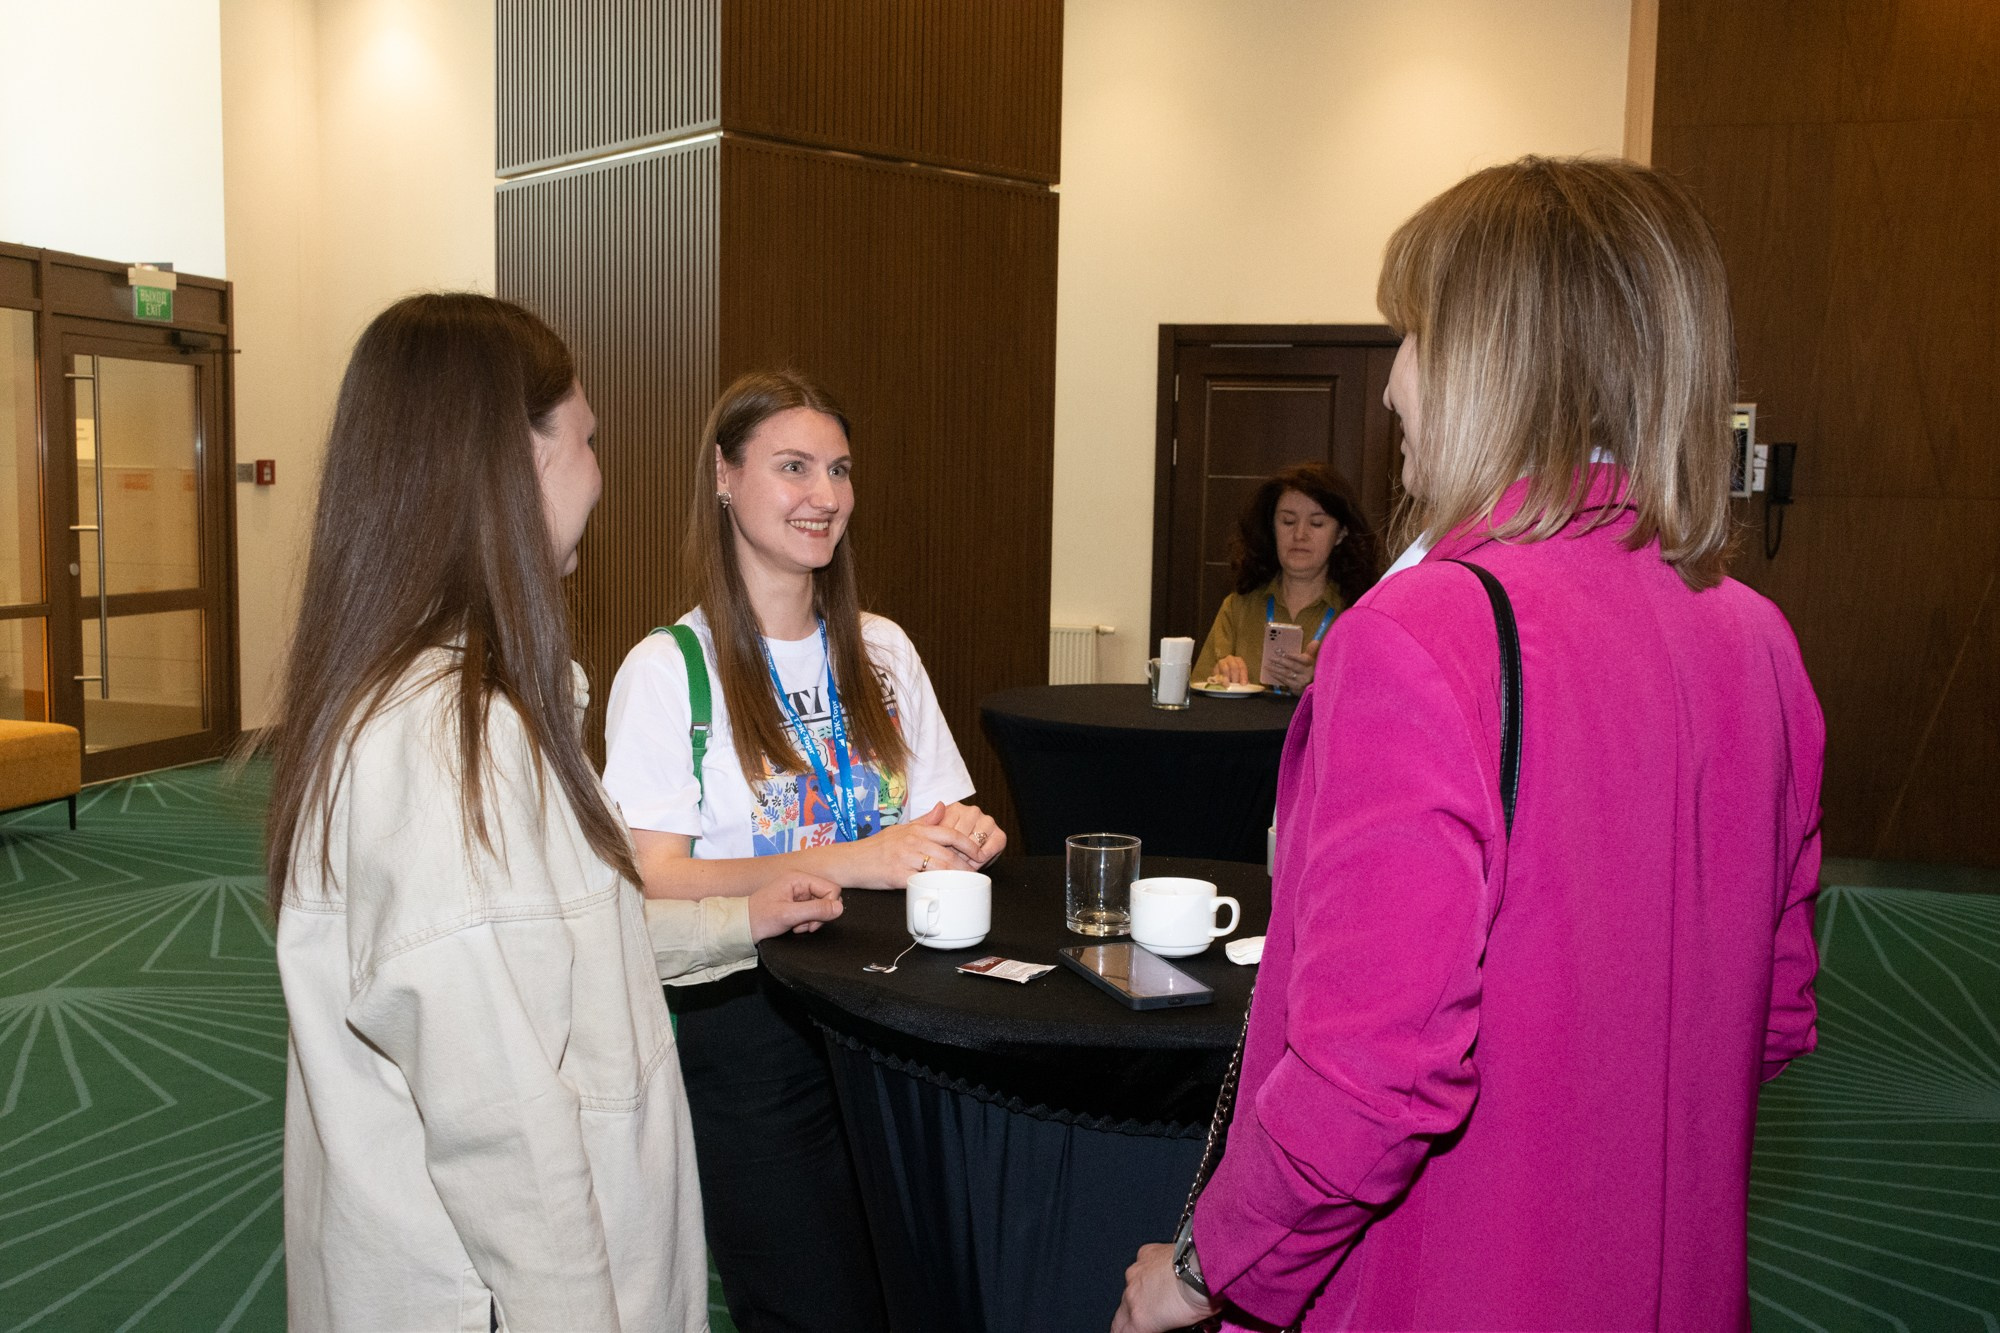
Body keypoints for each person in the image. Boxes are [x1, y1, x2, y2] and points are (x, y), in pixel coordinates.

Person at [1116, 157, 1824, 1332]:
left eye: (1411, 334)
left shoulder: (1423, 632)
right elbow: (1774, 1011)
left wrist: (1199, 1269)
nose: (1391, 387)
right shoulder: (1755, 638)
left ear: (1497, 356)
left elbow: (1369, 1076)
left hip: (1451, 1280)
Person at [267, 294, 842, 1332]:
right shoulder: (448, 743)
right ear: (516, 459)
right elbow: (504, 1128)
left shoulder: (418, 701)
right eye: (586, 439)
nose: (601, 472)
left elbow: (538, 955)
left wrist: (735, 921)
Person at [602, 369, 1008, 1332]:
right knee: (807, 1302)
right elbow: (651, 873)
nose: (823, 496)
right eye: (792, 467)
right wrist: (858, 857)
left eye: (838, 469)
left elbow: (944, 810)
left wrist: (967, 833)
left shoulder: (883, 649)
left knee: (912, 1289)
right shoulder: (671, 670)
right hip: (751, 1022)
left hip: (895, 1010)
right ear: (724, 477)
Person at [1192, 463, 1381, 693]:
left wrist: (1316, 687)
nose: (1300, 535)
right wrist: (1218, 681)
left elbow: (1372, 705)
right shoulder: (1238, 607)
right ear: (1272, 528)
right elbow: (1197, 698)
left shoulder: (1359, 615)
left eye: (1316, 523)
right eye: (1288, 522)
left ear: (1341, 533)